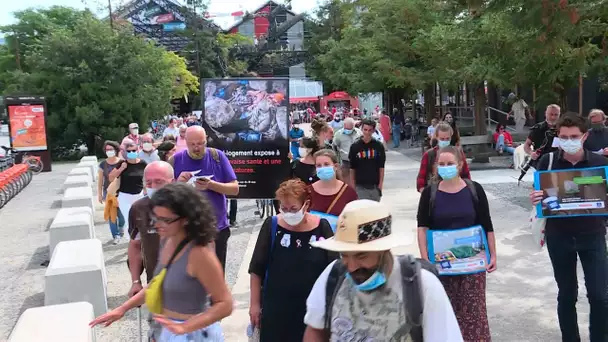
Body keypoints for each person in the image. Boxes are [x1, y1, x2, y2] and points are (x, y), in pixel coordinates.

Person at [303, 200, 463, 341]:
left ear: (384, 250)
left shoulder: (423, 285)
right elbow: (315, 330)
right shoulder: (333, 275)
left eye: (361, 256)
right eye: (344, 255)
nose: (351, 266)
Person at [90, 183, 233, 341]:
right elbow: (158, 283)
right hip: (168, 330)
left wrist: (184, 327)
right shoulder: (167, 239)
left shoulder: (199, 253)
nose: (157, 224)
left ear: (185, 219)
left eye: (165, 220)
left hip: (194, 334)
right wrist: (123, 309)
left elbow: (225, 304)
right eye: (155, 217)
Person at [529, 115, 608, 342]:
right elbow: (540, 197)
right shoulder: (548, 162)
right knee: (566, 295)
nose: (569, 141)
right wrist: (535, 198)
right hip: (559, 237)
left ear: (585, 136)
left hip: (593, 236)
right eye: (564, 137)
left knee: (599, 296)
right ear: (558, 137)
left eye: (574, 137)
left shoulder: (600, 164)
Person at [416, 145, 497, 340]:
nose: (446, 167)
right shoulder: (430, 193)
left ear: (460, 165)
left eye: (450, 163)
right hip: (441, 267)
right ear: (436, 167)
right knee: (445, 313)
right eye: (441, 164)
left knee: (474, 315)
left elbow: (487, 224)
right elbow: (422, 228)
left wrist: (493, 254)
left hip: (472, 267)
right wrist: (425, 259)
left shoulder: (474, 189)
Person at [248, 179, 336, 341]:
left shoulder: (321, 227)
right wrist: (254, 305)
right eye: (284, 208)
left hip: (312, 311)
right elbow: (256, 269)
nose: (288, 213)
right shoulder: (272, 226)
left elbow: (334, 270)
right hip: (276, 310)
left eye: (293, 209)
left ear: (306, 205)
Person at [171, 126, 239, 272]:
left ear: (206, 139)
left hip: (217, 227)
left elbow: (234, 189)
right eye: (192, 144)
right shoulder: (176, 160)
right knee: (191, 276)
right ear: (185, 141)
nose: (197, 148)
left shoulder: (217, 156)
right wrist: (179, 183)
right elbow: (166, 197)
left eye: (201, 143)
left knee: (216, 274)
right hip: (187, 230)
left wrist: (212, 185)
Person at [127, 161, 174, 297]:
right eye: (148, 183)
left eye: (159, 182)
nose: (153, 187)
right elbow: (135, 245)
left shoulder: (190, 206)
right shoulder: (138, 209)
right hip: (155, 284)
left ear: (172, 181)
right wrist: (136, 281)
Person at [416, 122, 471, 192]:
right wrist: (425, 194)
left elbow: (466, 174)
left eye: (447, 139)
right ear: (436, 137)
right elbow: (421, 177)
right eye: (442, 139)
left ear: (451, 136)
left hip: (456, 190)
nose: (445, 141)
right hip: (435, 192)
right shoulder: (428, 155)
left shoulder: (458, 153)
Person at [109, 140, 146, 239]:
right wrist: (121, 169)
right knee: (129, 218)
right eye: (129, 151)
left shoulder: (142, 163)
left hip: (139, 195)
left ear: (137, 150)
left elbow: (146, 177)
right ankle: (131, 241)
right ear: (125, 152)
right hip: (124, 196)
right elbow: (111, 177)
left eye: (133, 150)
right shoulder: (122, 163)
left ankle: (141, 240)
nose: (131, 153)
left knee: (140, 219)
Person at [309, 149, 358, 216]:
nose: (322, 168)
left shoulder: (349, 192)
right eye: (319, 165)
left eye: (326, 164)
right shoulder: (308, 191)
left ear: (336, 166)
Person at [348, 119, 386, 201]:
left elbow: (381, 167)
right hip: (360, 186)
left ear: (373, 131)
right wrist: (353, 187)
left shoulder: (378, 146)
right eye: (365, 129)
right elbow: (352, 168)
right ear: (361, 129)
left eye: (370, 130)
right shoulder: (355, 147)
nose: (367, 132)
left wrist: (380, 186)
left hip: (374, 186)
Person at [98, 140, 125, 244]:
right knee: (111, 215)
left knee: (121, 215)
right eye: (107, 149)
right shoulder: (102, 164)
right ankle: (116, 235)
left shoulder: (122, 162)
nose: (109, 151)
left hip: (121, 192)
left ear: (116, 150)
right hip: (108, 193)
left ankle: (121, 226)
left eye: (111, 149)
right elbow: (100, 181)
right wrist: (100, 194)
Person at [332, 118, 361, 188]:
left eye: (350, 128)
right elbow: (334, 147)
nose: (348, 130)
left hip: (359, 161)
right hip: (345, 162)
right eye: (347, 128)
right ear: (344, 126)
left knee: (358, 182)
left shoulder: (359, 133)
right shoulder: (338, 134)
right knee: (346, 183)